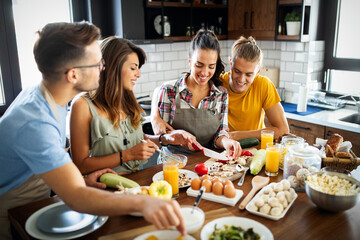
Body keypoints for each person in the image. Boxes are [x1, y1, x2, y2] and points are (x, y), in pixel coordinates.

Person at [0, 22, 185, 240]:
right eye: (97, 64)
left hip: (39, 197)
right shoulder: (35, 122)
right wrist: (142, 201)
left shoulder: (47, 95)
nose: (103, 69)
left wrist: (82, 182)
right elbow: (76, 196)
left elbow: (57, 172)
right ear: (73, 75)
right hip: (11, 206)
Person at [70, 36, 196, 175]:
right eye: (133, 68)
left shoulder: (126, 100)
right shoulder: (82, 105)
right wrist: (127, 155)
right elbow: (80, 165)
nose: (138, 74)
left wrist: (167, 138)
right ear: (113, 67)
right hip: (103, 189)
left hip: (136, 183)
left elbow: (137, 139)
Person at [151, 29, 241, 159]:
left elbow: (220, 133)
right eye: (199, 65)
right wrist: (177, 135)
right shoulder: (169, 91)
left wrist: (227, 142)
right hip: (173, 161)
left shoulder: (221, 94)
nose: (204, 72)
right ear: (189, 61)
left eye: (211, 66)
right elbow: (162, 134)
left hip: (206, 162)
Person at [220, 36, 289, 141]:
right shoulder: (218, 83)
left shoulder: (264, 85)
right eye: (237, 71)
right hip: (223, 149)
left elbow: (283, 130)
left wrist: (236, 136)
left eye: (248, 74)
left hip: (256, 149)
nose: (241, 79)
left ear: (258, 71)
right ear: (231, 63)